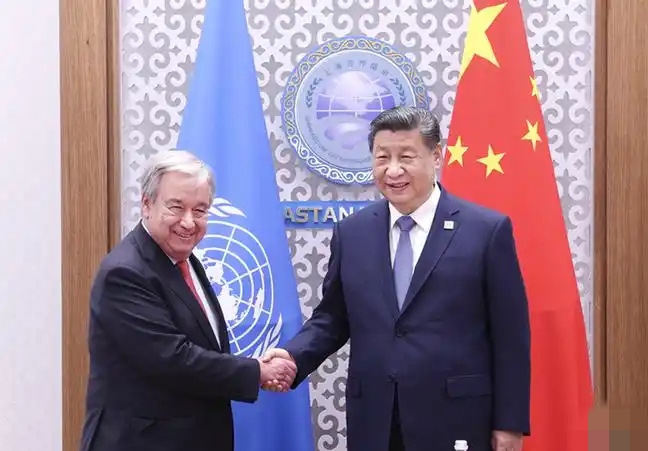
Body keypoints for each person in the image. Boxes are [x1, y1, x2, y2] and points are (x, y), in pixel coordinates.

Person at [263, 106, 531, 451]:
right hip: (377, 420)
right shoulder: (352, 233)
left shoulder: (485, 231)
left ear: (436, 156)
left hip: (456, 417)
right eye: (382, 158)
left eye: (406, 157)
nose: (392, 170)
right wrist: (292, 356)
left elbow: (510, 336)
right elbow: (332, 318)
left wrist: (509, 423)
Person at [79, 150, 296, 451]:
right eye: (176, 207)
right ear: (146, 204)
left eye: (200, 210)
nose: (188, 222)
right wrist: (257, 372)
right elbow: (172, 359)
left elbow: (203, 345)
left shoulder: (184, 259)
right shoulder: (125, 272)